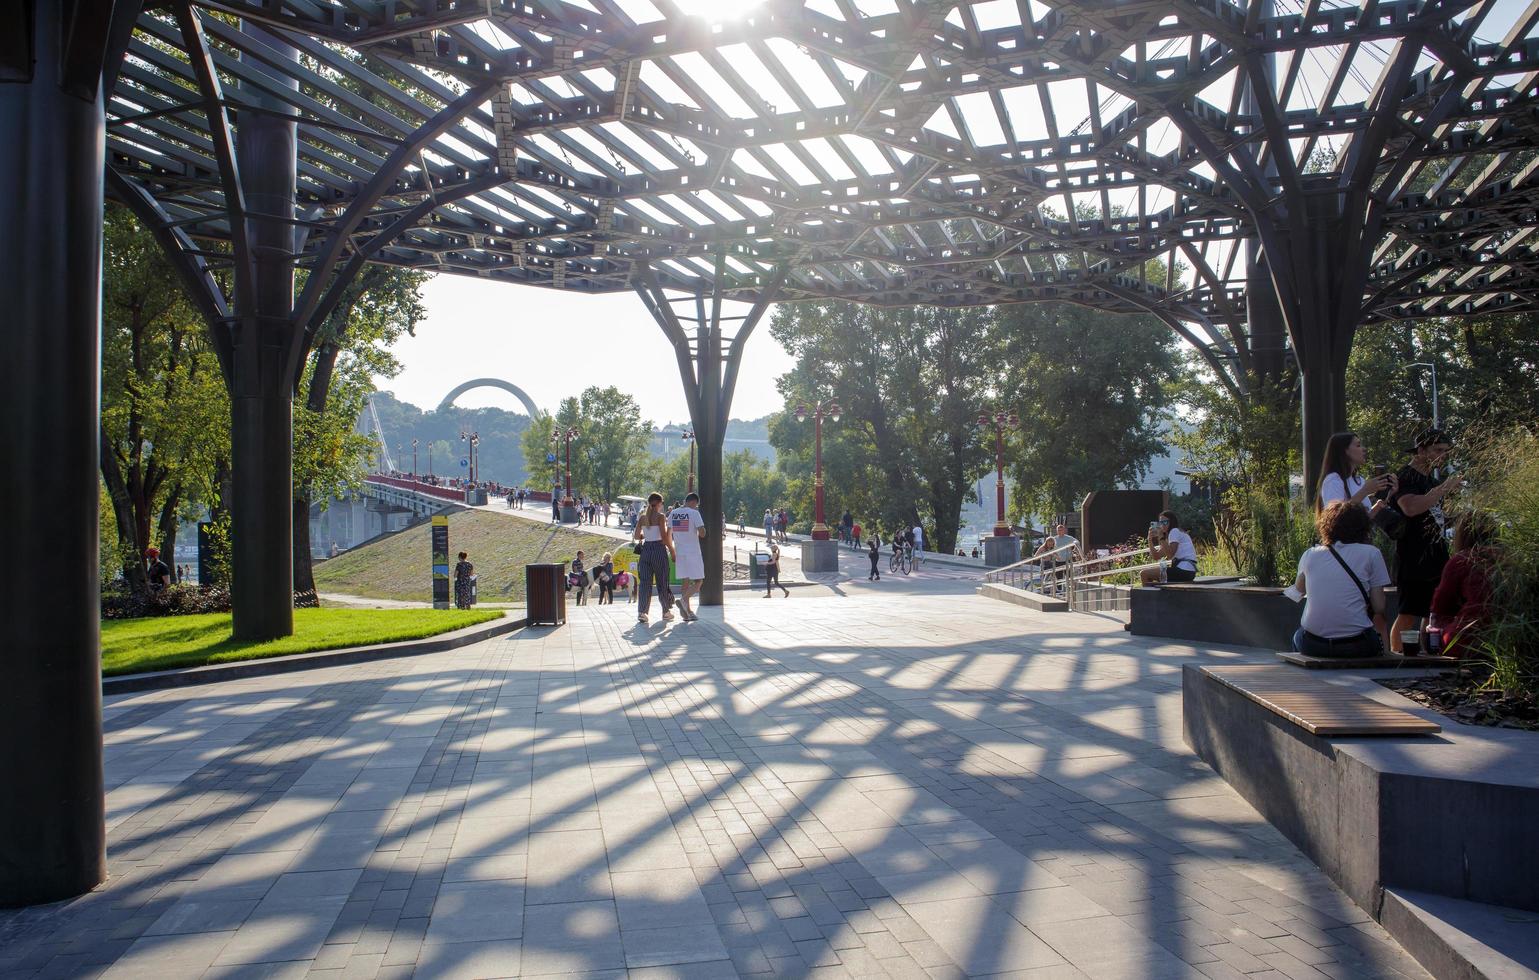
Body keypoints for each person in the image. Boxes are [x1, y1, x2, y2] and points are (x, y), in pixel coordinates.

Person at [1389, 429, 1463, 652]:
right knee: (1407, 614)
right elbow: (1410, 508)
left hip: (1436, 554)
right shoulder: (1406, 476)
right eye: (1438, 450)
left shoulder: (1430, 479)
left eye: (1446, 452)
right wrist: (1444, 488)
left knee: (1432, 613)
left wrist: (1457, 519)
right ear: (1421, 450)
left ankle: (1426, 655)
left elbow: (1432, 517)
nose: (1443, 456)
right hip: (1413, 556)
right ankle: (1397, 658)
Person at [1292, 501, 1391, 657]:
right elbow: (1379, 607)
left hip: (1313, 645)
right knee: (1373, 635)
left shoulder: (1310, 554)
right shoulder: (1372, 553)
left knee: (1298, 636)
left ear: (1327, 527)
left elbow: (1297, 592)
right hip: (1356, 644)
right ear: (1363, 526)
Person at [1431, 511, 1495, 657]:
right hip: (1510, 633)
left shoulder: (1462, 559)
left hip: (1470, 633)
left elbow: (1441, 604)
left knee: (1436, 630)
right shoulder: (1509, 557)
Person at [1316, 431, 1397, 514]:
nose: (1364, 449)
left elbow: (1363, 521)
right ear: (1345, 451)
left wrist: (1382, 501)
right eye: (1358, 445)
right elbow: (1334, 516)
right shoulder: (1333, 480)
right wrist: (1365, 490)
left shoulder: (1359, 481)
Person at [632, 492, 677, 625]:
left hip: (646, 551)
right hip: (658, 550)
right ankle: (665, 611)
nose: (662, 505)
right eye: (661, 503)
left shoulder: (642, 517)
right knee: (662, 581)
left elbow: (636, 536)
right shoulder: (661, 517)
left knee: (645, 582)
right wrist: (673, 551)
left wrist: (645, 536)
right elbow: (664, 537)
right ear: (658, 503)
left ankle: (643, 612)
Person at [668, 492, 706, 622]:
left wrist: (672, 550)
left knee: (685, 581)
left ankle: (688, 611)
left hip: (680, 551)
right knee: (699, 581)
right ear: (694, 502)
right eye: (696, 505)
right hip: (693, 552)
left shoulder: (673, 513)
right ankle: (683, 601)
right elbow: (702, 533)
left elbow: (669, 534)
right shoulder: (694, 513)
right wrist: (702, 529)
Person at [1140, 510, 1198, 584]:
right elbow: (1156, 556)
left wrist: (1161, 537)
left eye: (1165, 522)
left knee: (1144, 574)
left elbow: (1170, 555)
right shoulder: (1170, 538)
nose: (1162, 525)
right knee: (1150, 575)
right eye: (1160, 523)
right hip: (1187, 571)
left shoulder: (1174, 531)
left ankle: (1149, 595)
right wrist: (1150, 540)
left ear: (1171, 522)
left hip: (1184, 570)